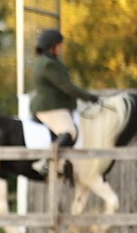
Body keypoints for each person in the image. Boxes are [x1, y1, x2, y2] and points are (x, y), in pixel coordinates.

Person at [31, 28, 99, 157]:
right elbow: (67, 87)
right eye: (59, 46)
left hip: (54, 105)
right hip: (49, 107)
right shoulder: (48, 64)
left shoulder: (47, 61)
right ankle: (46, 162)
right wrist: (89, 97)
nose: (61, 49)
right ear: (51, 46)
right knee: (70, 132)